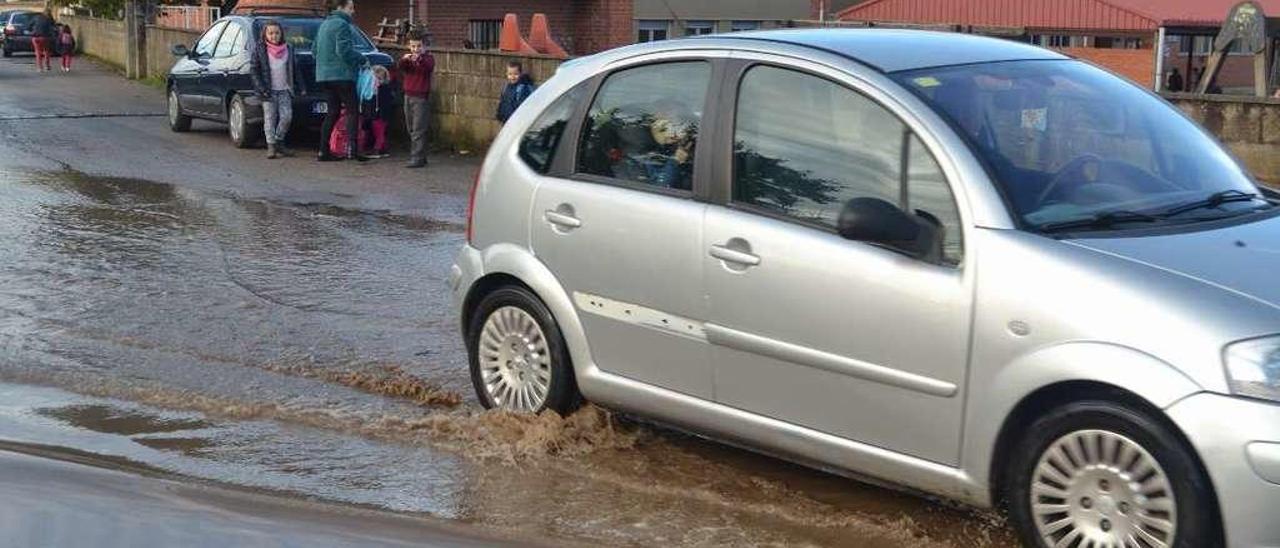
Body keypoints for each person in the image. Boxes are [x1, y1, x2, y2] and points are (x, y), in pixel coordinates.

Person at [314, 0, 369, 162]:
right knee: (352, 110)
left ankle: (323, 151)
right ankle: (353, 150)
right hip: (342, 76)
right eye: (350, 8)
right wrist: (361, 59)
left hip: (324, 77)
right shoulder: (342, 25)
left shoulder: (324, 25)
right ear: (340, 8)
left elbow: (314, 50)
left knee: (332, 112)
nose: (353, 11)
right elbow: (344, 51)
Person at [250, 20, 300, 159]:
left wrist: (300, 86)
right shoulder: (260, 49)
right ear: (265, 34)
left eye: (277, 33)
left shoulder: (288, 48)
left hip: (284, 89)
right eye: (270, 33)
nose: (274, 36)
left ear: (281, 34)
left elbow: (295, 69)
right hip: (268, 91)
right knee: (270, 119)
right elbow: (254, 69)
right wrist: (261, 87)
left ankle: (279, 140)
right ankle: (271, 146)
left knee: (287, 117)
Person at [398, 31, 434, 168]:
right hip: (408, 94)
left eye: (419, 46)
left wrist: (418, 59)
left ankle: (417, 157)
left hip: (421, 97)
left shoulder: (428, 58)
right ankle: (421, 155)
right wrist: (404, 59)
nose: (415, 49)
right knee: (410, 127)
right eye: (413, 46)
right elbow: (402, 67)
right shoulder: (409, 59)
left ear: (425, 47)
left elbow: (427, 67)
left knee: (419, 128)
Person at [361, 64, 394, 158]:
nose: (377, 81)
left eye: (379, 79)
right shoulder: (375, 90)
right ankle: (382, 149)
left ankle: (378, 149)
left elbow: (384, 103)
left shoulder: (383, 89)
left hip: (381, 115)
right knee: (378, 132)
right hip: (377, 114)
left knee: (379, 132)